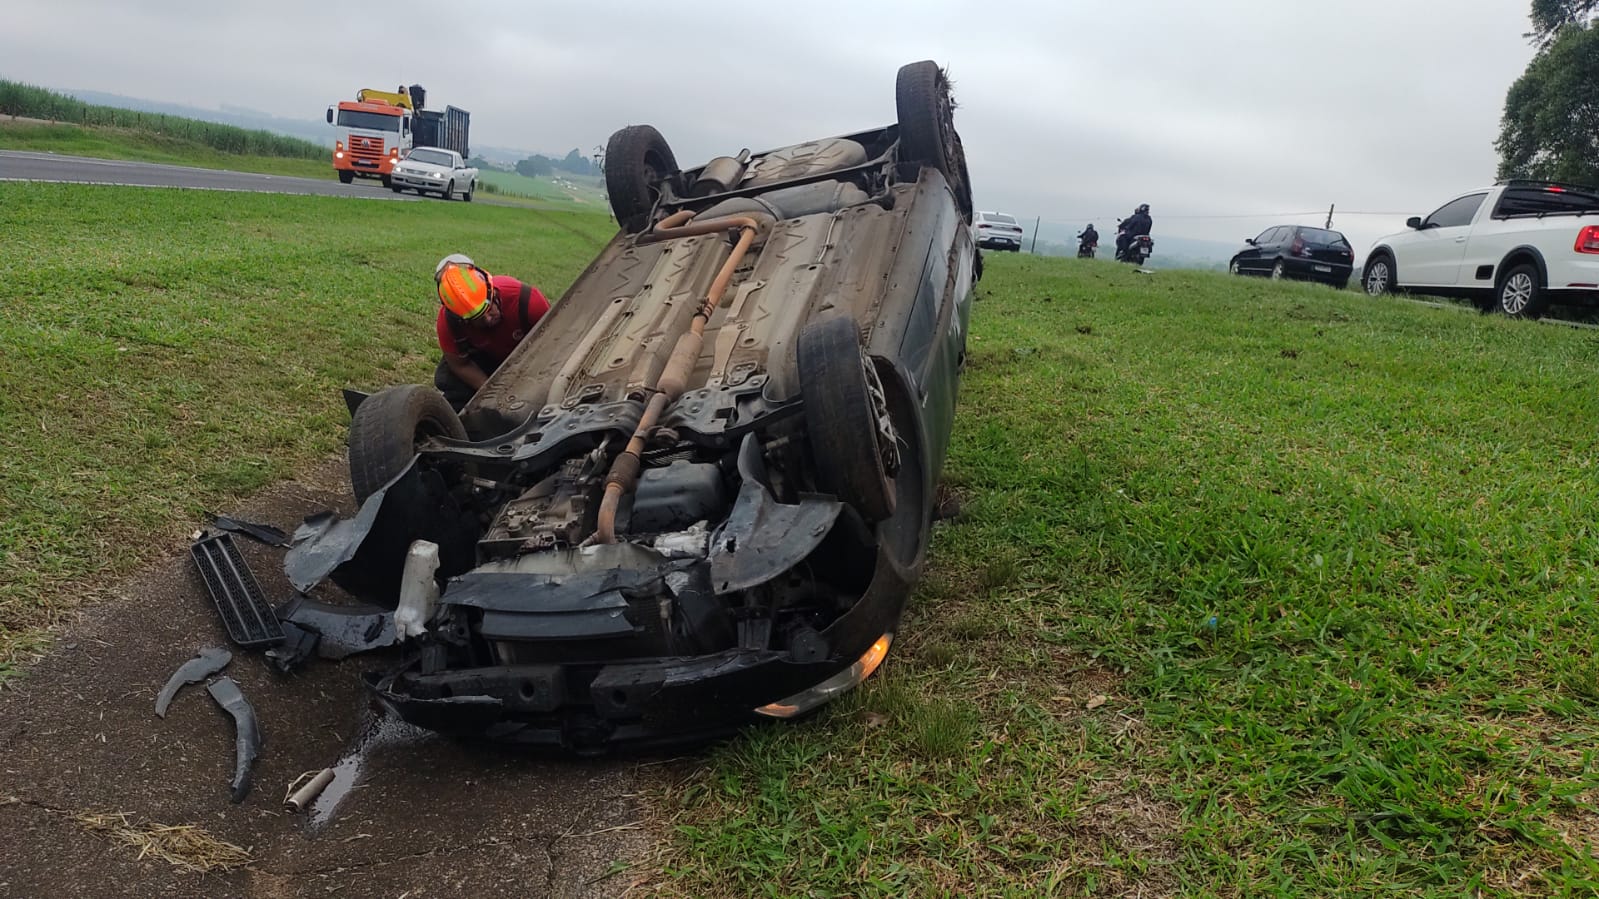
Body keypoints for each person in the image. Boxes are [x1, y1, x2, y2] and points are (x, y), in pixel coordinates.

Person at [433, 253, 551, 411]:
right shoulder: (449, 323)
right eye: (478, 319)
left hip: (530, 359)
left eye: (489, 309)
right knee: (449, 378)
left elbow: (554, 344)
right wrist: (492, 393)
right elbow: (460, 365)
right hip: (487, 361)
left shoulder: (528, 302)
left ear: (493, 292)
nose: (488, 319)